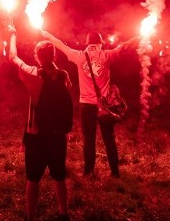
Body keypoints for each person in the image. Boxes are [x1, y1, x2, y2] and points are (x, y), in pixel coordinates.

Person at [41, 30, 138, 178]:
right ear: (99, 43)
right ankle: (115, 172)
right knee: (109, 139)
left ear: (87, 43)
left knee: (88, 140)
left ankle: (88, 172)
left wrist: (46, 34)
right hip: (104, 106)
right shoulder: (106, 56)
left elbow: (60, 45)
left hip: (86, 105)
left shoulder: (79, 56)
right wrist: (139, 37)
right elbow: (123, 47)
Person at [8, 25, 72, 221]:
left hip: (36, 137)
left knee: (33, 179)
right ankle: (63, 213)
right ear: (53, 55)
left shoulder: (33, 74)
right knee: (59, 176)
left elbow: (13, 58)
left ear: (37, 56)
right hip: (58, 135)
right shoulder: (63, 75)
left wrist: (12, 34)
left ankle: (30, 216)